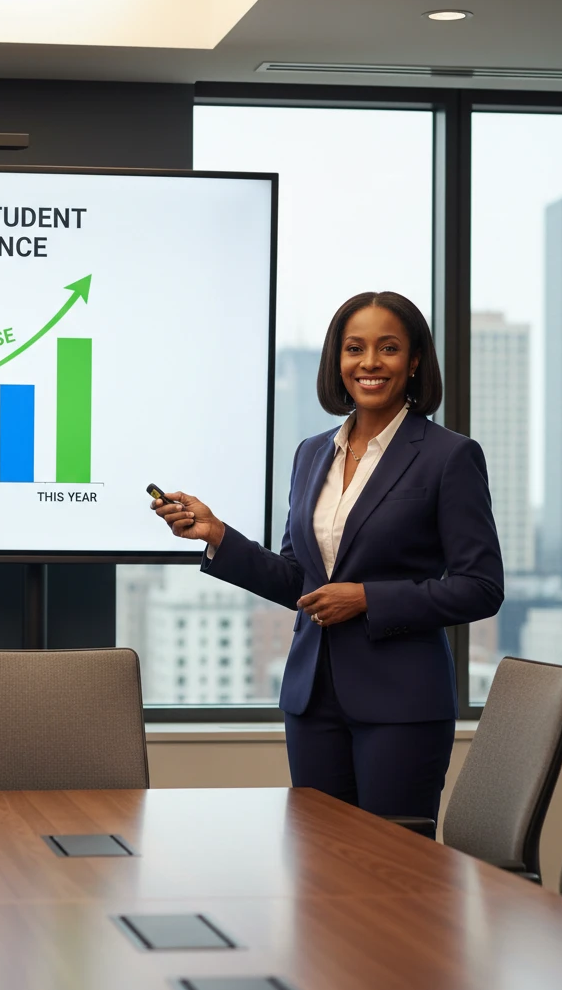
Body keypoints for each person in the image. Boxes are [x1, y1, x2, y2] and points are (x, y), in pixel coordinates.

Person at [152, 291, 504, 824]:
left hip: (401, 704)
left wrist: (367, 599)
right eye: (354, 348)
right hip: (312, 700)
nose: (369, 363)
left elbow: (481, 587)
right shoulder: (312, 453)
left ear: (413, 361)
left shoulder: (449, 456)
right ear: (336, 360)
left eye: (388, 348)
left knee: (392, 864)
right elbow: (299, 580)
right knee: (319, 861)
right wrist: (218, 535)